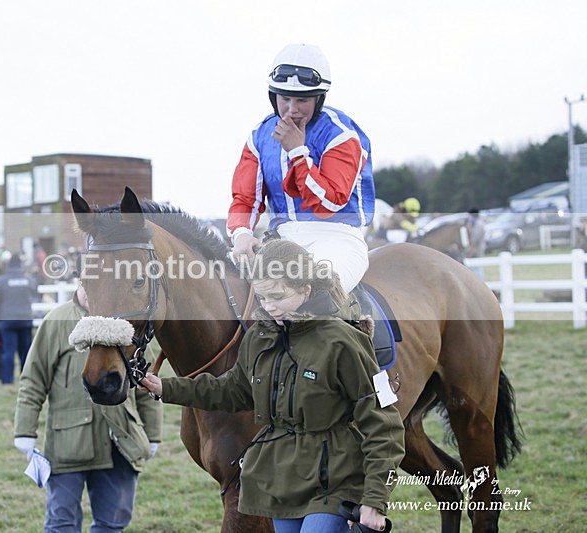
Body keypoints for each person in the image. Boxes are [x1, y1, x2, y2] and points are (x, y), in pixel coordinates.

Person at [141, 240, 404, 533]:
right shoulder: (259, 338)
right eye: (263, 297)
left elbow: (384, 424)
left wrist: (375, 500)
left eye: (278, 296)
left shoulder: (344, 341)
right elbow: (232, 390)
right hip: (279, 483)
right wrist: (167, 388)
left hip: (335, 482)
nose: (269, 307)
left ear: (305, 290)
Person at [14, 283, 163, 533]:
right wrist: (24, 432)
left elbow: (145, 381)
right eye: (87, 283)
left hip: (120, 444)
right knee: (61, 524)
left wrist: (153, 433)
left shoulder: (128, 324)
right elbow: (33, 380)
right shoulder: (57, 321)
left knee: (112, 523)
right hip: (67, 445)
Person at [228, 43, 374, 294]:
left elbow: (328, 204)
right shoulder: (259, 136)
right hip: (280, 240)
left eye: (302, 100)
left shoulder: (341, 135)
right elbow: (245, 199)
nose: (292, 109)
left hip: (337, 237)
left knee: (312, 297)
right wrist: (241, 234)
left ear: (319, 99)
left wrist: (297, 152)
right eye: (285, 98)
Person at [0, 253, 37, 384]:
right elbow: (36, 292)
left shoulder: (1, 281)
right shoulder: (28, 280)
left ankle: (7, 380)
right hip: (25, 320)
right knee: (25, 352)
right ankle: (26, 378)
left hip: (7, 321)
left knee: (8, 352)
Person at [465, 208, 487, 278]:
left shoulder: (479, 225)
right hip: (474, 250)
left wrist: (469, 228)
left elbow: (475, 239)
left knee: (478, 270)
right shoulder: (475, 224)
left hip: (478, 250)